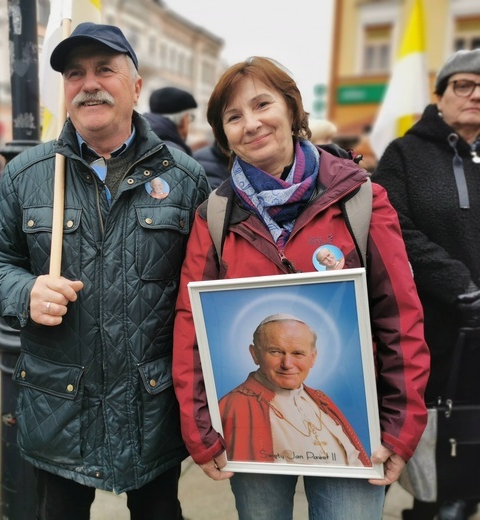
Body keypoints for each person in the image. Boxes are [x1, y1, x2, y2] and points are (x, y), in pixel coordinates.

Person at [172, 57, 429, 520]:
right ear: (223, 134)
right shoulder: (213, 217)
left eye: (262, 104)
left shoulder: (361, 199)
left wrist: (401, 427)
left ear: (291, 108)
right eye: (233, 117)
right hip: (248, 435)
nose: (251, 124)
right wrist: (200, 429)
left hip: (359, 424)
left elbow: (400, 318)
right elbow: (191, 328)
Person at [0, 22, 209, 520]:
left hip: (152, 407)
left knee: (161, 511)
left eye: (105, 69)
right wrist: (24, 291)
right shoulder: (27, 173)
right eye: (75, 73)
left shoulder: (183, 178)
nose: (89, 83)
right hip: (60, 404)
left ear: (136, 86)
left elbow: (208, 288)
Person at [373, 48, 480, 520]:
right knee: (446, 427)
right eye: (463, 84)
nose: (475, 94)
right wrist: (457, 283)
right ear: (439, 95)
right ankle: (438, 501)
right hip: (439, 320)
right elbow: (393, 226)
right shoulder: (406, 153)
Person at [219, 314, 369, 467]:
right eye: (276, 352)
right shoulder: (236, 405)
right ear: (255, 354)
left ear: (313, 357)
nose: (287, 364)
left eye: (298, 353)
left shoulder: (320, 399)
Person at [143, 86, 197, 155]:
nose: (189, 123)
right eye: (189, 117)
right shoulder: (175, 154)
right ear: (182, 120)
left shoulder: (139, 139)